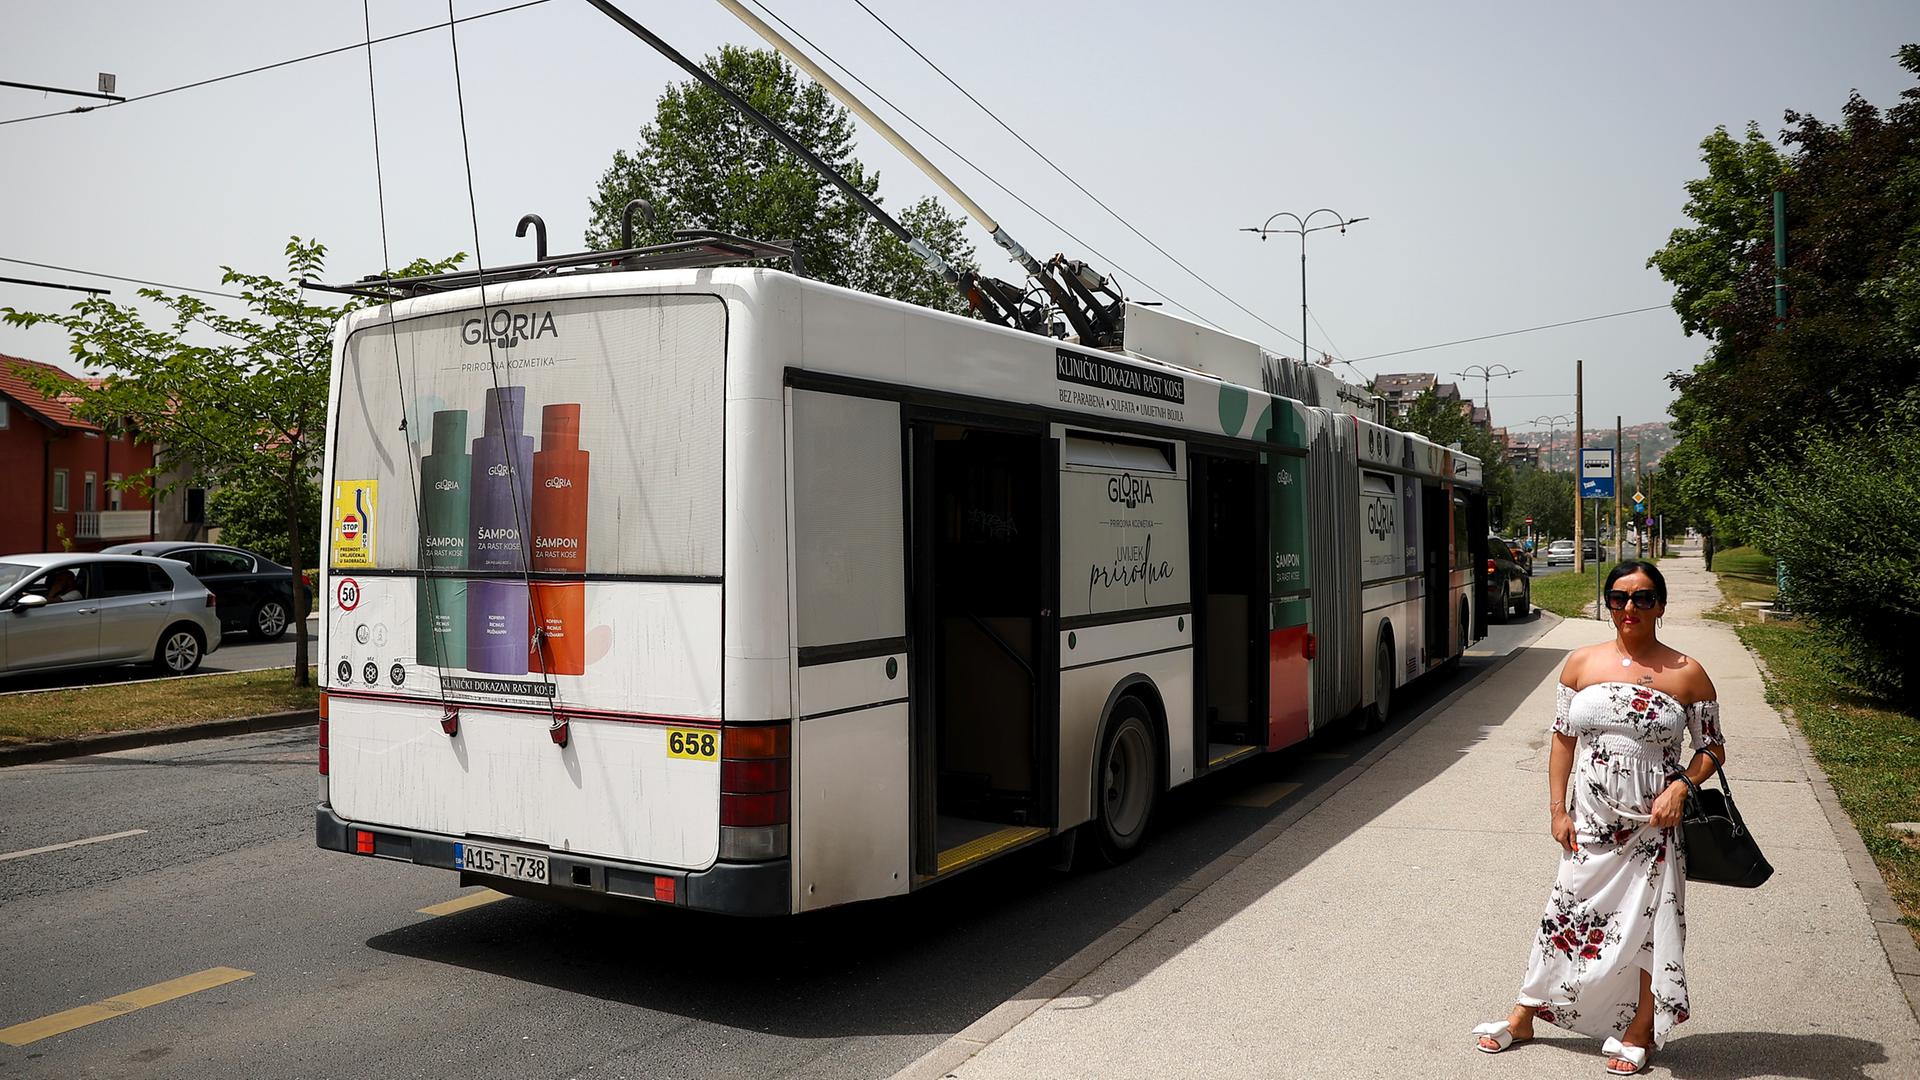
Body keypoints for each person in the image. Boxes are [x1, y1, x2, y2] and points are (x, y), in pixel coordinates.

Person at [1472, 560, 1726, 1075]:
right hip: (1590, 819)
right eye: (1619, 597)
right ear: (1608, 603)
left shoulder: (1687, 673)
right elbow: (1563, 739)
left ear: (1660, 604)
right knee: (1565, 913)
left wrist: (1682, 785)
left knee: (1648, 923)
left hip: (1653, 824)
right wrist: (1557, 809)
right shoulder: (1581, 663)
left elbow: (1713, 747)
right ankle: (1525, 1014)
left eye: (1643, 597)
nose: (1630, 607)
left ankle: (1639, 1030)